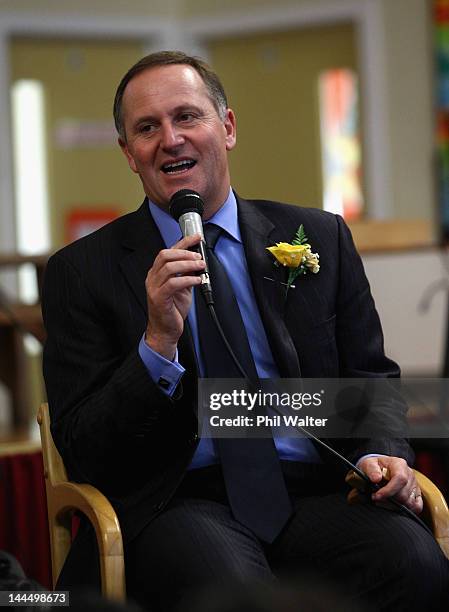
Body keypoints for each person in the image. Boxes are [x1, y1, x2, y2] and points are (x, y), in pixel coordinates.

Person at [42, 51, 449, 611]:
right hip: (177, 501)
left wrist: (385, 454)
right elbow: (85, 446)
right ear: (129, 154)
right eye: (147, 128)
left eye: (188, 116)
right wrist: (157, 344)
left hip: (314, 489)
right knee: (238, 593)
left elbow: (368, 381)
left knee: (415, 561)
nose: (171, 139)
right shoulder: (80, 272)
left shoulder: (320, 238)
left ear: (226, 127)